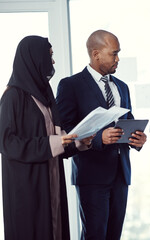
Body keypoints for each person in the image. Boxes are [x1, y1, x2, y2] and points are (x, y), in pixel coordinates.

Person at [56, 29, 147, 240]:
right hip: (92, 175)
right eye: (114, 53)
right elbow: (64, 131)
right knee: (95, 235)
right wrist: (98, 138)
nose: (118, 59)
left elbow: (128, 122)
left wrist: (137, 140)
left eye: (118, 53)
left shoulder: (122, 87)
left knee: (114, 235)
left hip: (121, 174)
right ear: (96, 54)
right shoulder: (71, 85)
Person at [0, 36, 93, 240]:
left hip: (51, 178)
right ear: (34, 58)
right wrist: (55, 142)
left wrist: (77, 143)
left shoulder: (45, 95)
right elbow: (7, 144)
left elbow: (55, 137)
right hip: (27, 185)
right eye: (49, 56)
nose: (52, 62)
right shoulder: (12, 97)